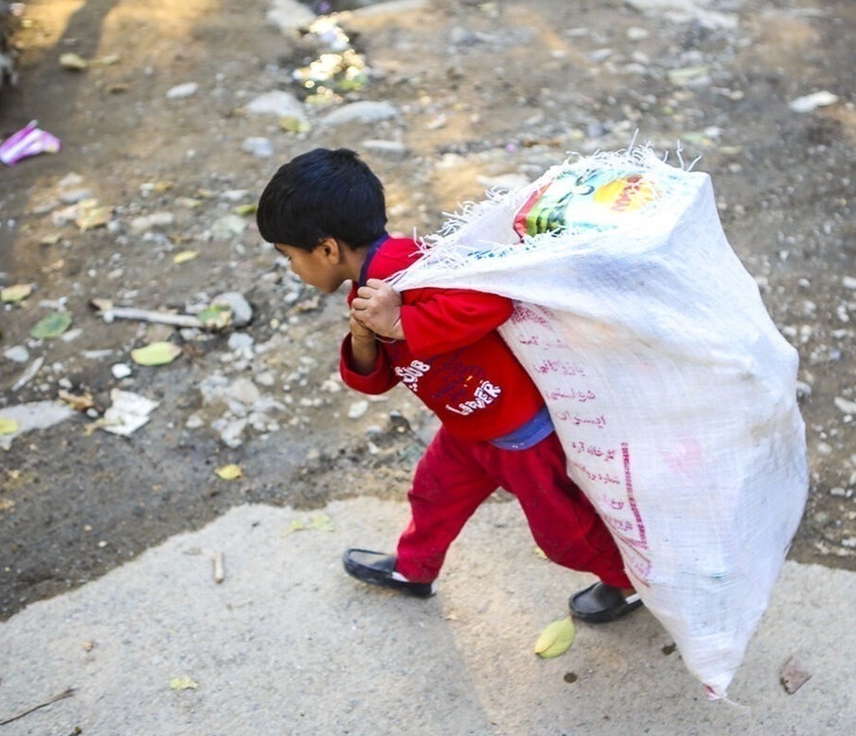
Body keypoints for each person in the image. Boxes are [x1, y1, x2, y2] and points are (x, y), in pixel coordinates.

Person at [255, 147, 641, 623]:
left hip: (522, 437)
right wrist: (364, 339)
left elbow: (488, 304)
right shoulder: (367, 290)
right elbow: (376, 380)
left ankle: (631, 582)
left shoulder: (414, 267)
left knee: (566, 537)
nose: (293, 268)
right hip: (465, 428)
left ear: (327, 249)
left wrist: (400, 323)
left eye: (290, 256)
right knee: (433, 494)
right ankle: (414, 570)